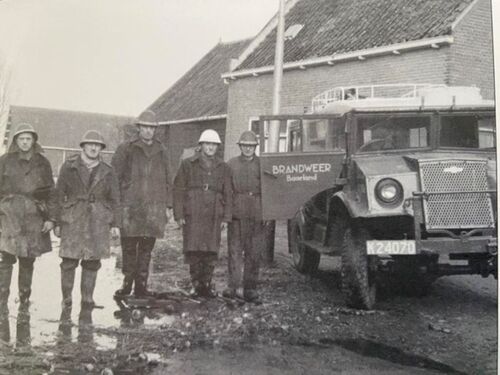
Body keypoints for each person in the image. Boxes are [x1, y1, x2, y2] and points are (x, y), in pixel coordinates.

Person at [55, 130, 121, 308]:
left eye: (97, 145)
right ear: (83, 146)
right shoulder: (69, 167)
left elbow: (115, 199)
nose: (93, 148)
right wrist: (57, 222)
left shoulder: (108, 171)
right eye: (90, 144)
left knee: (92, 261)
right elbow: (58, 195)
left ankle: (87, 298)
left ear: (101, 148)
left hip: (97, 220)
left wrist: (115, 223)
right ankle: (67, 298)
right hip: (73, 217)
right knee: (69, 260)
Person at [112, 110, 172, 297]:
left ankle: (141, 286)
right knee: (129, 247)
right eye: (145, 127)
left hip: (153, 208)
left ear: (155, 130)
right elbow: (114, 178)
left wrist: (168, 206)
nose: (148, 131)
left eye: (151, 128)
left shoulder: (162, 151)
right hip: (130, 207)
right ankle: (127, 284)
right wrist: (118, 206)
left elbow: (169, 180)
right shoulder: (126, 148)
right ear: (139, 128)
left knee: (146, 248)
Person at [0, 123, 57, 309]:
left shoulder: (43, 162)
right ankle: (2, 299)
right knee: (6, 256)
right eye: (21, 139)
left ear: (33, 141)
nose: (25, 142)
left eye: (28, 139)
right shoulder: (5, 160)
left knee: (28, 258)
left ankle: (24, 298)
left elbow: (51, 193)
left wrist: (50, 219)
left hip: (34, 213)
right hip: (9, 213)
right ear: (16, 141)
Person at [173, 129, 232, 297]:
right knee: (194, 248)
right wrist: (179, 214)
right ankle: (196, 283)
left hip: (214, 212)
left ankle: (207, 283)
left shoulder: (223, 167)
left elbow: (228, 192)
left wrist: (226, 217)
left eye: (214, 144)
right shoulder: (187, 164)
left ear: (217, 147)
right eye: (207, 144)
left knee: (211, 249)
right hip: (194, 211)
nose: (210, 147)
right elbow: (178, 190)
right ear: (201, 145)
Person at [224, 131, 264, 302]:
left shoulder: (262, 164)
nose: (248, 149)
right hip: (237, 214)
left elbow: (268, 190)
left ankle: (250, 289)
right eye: (245, 145)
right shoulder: (231, 165)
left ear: (255, 147)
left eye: (251, 146)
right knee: (234, 252)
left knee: (254, 253)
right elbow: (226, 191)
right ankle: (232, 287)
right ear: (240, 146)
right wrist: (227, 215)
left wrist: (266, 213)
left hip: (256, 213)